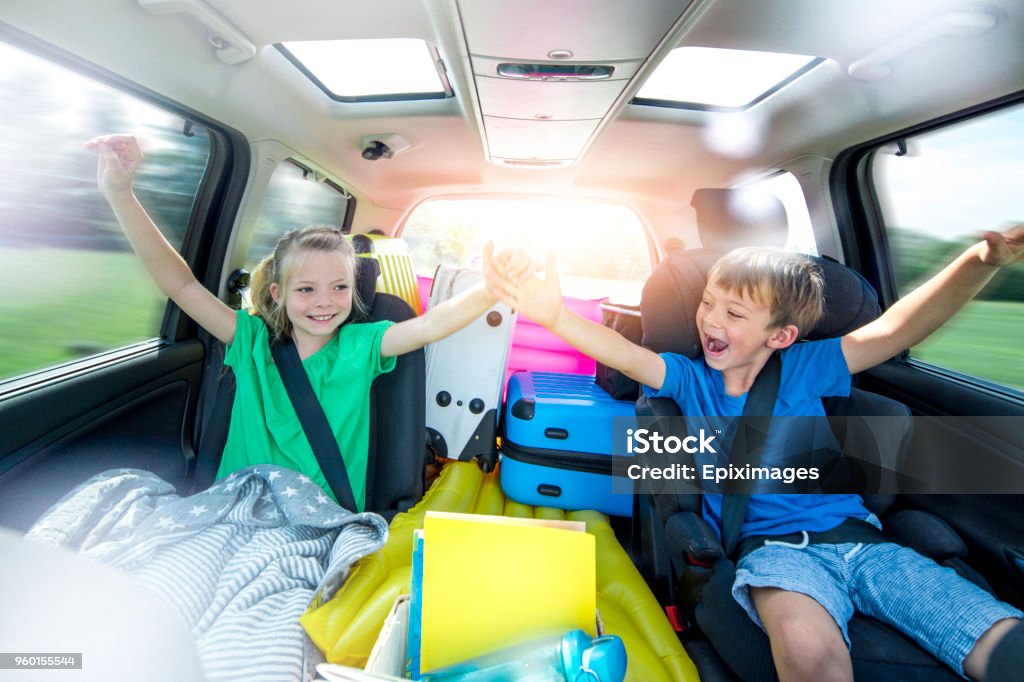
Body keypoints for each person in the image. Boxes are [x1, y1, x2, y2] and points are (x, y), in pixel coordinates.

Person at [505, 228, 1024, 681]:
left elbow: (897, 328)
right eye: (708, 302)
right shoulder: (686, 379)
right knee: (808, 650)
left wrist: (979, 261)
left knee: (997, 638)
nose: (709, 320)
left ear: (781, 335)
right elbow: (625, 354)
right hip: (774, 553)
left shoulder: (810, 366)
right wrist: (553, 316)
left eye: (733, 312)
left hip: (864, 544)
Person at [86, 134, 529, 512]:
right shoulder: (251, 341)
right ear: (277, 294)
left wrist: (489, 290)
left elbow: (431, 326)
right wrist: (120, 193)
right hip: (235, 505)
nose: (324, 303)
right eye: (305, 290)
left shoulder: (363, 345)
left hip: (319, 515)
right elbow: (181, 285)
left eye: (339, 288)